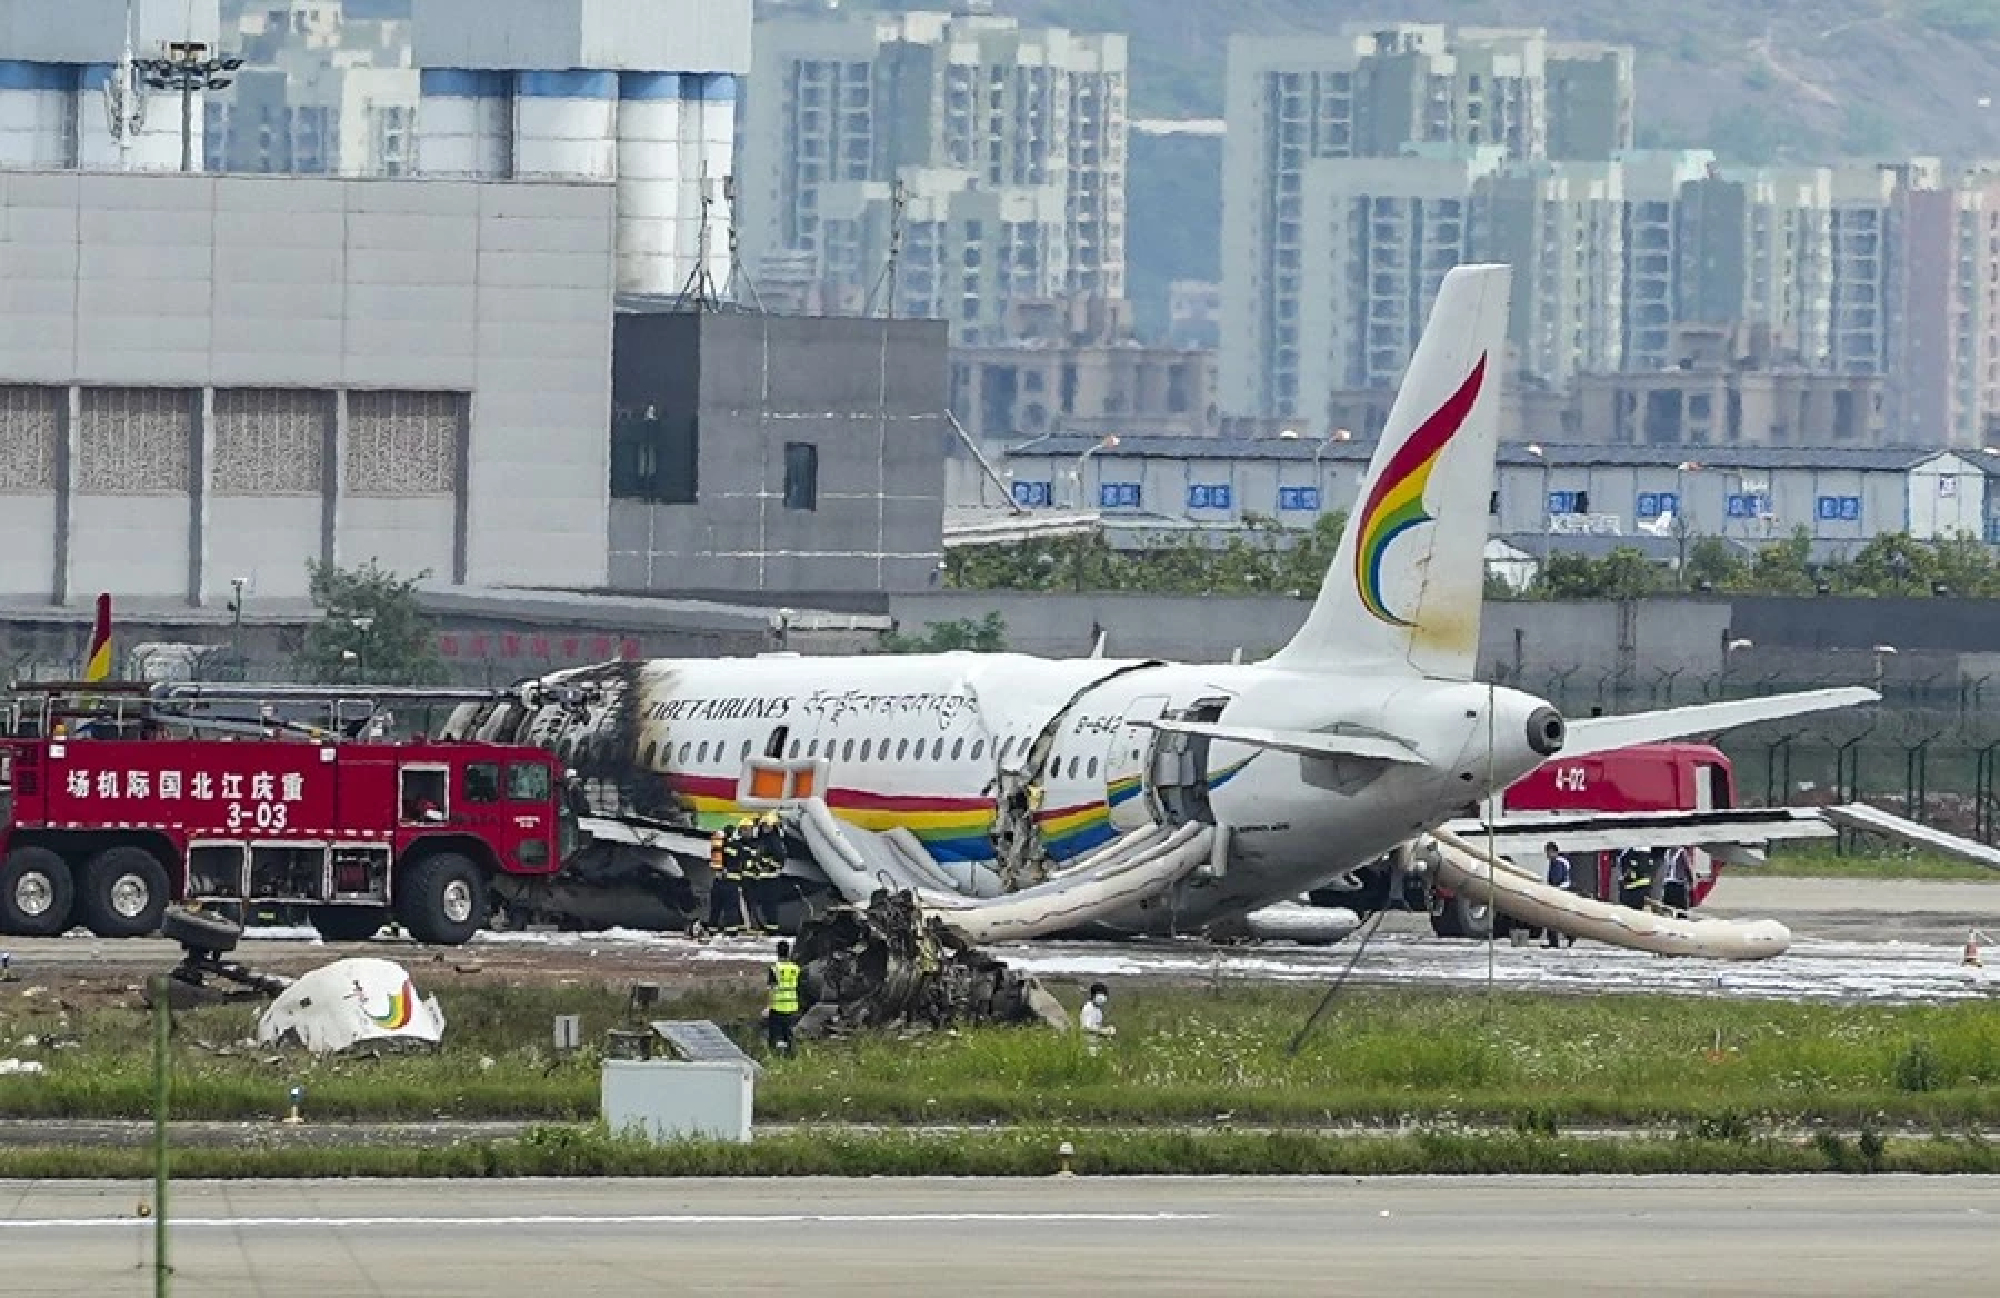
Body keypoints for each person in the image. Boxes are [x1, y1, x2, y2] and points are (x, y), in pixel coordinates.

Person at [706, 821, 747, 936]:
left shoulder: (719, 846)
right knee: (730, 908)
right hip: (731, 883)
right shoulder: (737, 846)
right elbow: (742, 861)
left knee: (715, 908)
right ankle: (731, 933)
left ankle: (711, 931)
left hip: (718, 881)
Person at [766, 940, 802, 1054]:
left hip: (777, 1008)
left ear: (777, 952)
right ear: (788, 952)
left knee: (775, 1036)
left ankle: (776, 1055)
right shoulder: (795, 968)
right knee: (789, 1035)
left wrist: (768, 1007)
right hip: (792, 1007)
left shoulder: (775, 969)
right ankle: (791, 1055)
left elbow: (772, 989)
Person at [1541, 842, 1575, 949]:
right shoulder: (1556, 862)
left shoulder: (1558, 862)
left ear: (1553, 851)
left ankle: (1562, 938)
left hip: (1560, 891)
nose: (1547, 854)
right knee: (1554, 918)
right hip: (1557, 891)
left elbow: (1558, 879)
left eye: (1548, 852)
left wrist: (1553, 889)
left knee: (1555, 917)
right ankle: (1556, 940)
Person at [1658, 845, 1694, 916]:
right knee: (1682, 910)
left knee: (1668, 908)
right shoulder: (1682, 852)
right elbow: (1688, 868)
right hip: (1679, 884)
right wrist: (1691, 881)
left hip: (1667, 884)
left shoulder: (1667, 852)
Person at [1616, 846, 1652, 911]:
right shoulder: (1627, 853)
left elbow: (1644, 879)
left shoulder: (1641, 857)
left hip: (1635, 892)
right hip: (1630, 890)